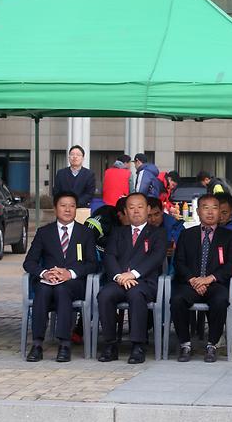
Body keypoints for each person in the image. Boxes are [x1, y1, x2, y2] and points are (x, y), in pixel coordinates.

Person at [22, 191, 97, 362]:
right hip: (48, 280)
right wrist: (45, 273)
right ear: (55, 209)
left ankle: (64, 344)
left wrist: (69, 274)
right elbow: (29, 262)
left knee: (63, 289)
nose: (68, 209)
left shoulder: (85, 233)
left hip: (74, 283)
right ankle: (37, 344)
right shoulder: (44, 232)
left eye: (72, 206)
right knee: (42, 290)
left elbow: (92, 263)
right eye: (63, 206)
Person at [96, 193, 168, 364]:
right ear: (126, 211)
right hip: (119, 280)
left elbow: (156, 258)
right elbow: (109, 256)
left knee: (136, 294)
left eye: (140, 207)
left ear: (148, 209)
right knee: (104, 295)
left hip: (145, 282)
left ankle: (137, 346)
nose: (136, 211)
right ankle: (110, 344)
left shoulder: (158, 233)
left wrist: (133, 274)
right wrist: (119, 276)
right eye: (131, 207)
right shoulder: (118, 232)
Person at [170, 194, 232, 363]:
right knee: (177, 300)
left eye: (214, 208)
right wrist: (193, 280)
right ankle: (185, 344)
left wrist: (209, 279)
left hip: (215, 283)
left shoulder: (229, 236)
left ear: (220, 212)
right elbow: (179, 262)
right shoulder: (187, 234)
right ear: (197, 211)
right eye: (205, 208)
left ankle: (212, 345)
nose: (210, 212)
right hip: (191, 283)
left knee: (220, 301)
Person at [52, 145, 96, 223]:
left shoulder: (89, 174)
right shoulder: (61, 173)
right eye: (72, 154)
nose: (74, 157)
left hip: (81, 210)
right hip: (63, 210)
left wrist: (74, 204)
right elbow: (56, 191)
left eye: (78, 155)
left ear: (82, 158)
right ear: (69, 157)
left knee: (80, 233)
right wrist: (65, 204)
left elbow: (89, 193)